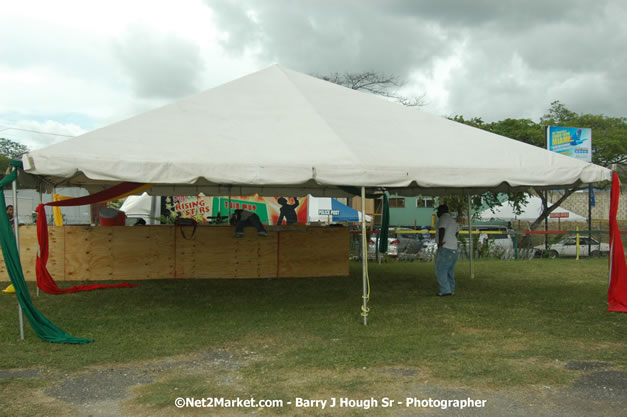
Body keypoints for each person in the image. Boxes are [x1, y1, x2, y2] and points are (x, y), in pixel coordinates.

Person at [434, 204, 459, 296]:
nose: (437, 213)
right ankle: (451, 289)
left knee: (440, 270)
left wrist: (440, 242)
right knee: (450, 271)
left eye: (438, 211)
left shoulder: (443, 218)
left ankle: (445, 290)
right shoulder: (453, 220)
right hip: (454, 248)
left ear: (442, 211)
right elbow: (457, 232)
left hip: (445, 248)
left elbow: (442, 229)